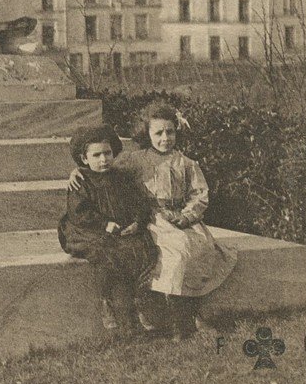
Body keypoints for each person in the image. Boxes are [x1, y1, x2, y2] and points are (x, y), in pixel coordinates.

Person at [68, 102, 238, 340]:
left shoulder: (187, 163)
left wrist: (187, 215)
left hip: (183, 218)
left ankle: (195, 312)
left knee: (200, 247)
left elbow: (200, 195)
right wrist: (77, 171)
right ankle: (179, 320)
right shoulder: (137, 160)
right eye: (158, 133)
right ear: (147, 134)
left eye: (170, 131)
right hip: (154, 218)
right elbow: (102, 165)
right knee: (176, 253)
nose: (165, 138)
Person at [58, 125, 158, 333]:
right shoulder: (81, 181)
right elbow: (79, 213)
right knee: (103, 250)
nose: (103, 159)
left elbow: (138, 203)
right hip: (88, 228)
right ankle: (106, 302)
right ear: (84, 159)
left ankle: (140, 302)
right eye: (96, 155)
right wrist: (104, 224)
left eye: (107, 153)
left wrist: (137, 223)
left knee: (141, 247)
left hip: (121, 226)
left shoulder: (121, 178)